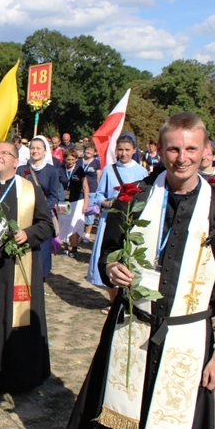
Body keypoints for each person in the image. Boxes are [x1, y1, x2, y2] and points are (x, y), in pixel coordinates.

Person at [60, 112, 215, 429]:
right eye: (174, 149)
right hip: (133, 324)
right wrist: (113, 269)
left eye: (191, 148)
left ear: (206, 150)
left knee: (173, 418)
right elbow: (108, 253)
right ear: (160, 150)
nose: (182, 158)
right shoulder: (134, 197)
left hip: (188, 335)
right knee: (118, 406)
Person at [0, 141, 54, 392]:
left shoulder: (29, 189)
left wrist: (28, 234)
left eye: (4, 153)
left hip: (17, 263)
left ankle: (17, 376)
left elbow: (47, 225)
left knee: (15, 317)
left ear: (16, 161)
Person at [86, 134, 148, 314]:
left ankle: (129, 301)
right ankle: (114, 302)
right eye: (120, 149)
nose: (124, 153)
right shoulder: (108, 170)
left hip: (130, 221)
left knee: (129, 259)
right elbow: (98, 195)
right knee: (111, 259)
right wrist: (108, 203)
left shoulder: (141, 172)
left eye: (127, 150)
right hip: (110, 220)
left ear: (134, 151)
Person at [16, 136, 61, 279]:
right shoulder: (22, 170)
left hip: (42, 216)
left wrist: (40, 210)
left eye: (38, 148)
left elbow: (54, 195)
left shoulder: (52, 171)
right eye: (32, 148)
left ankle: (41, 276)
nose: (35, 151)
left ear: (44, 151)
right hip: (24, 214)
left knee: (42, 250)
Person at [58, 148, 90, 257]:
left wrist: (86, 203)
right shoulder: (60, 170)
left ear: (76, 159)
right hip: (63, 201)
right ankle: (65, 247)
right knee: (63, 223)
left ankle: (74, 248)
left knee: (75, 223)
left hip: (78, 200)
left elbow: (85, 187)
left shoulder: (79, 170)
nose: (70, 162)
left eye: (72, 159)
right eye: (68, 159)